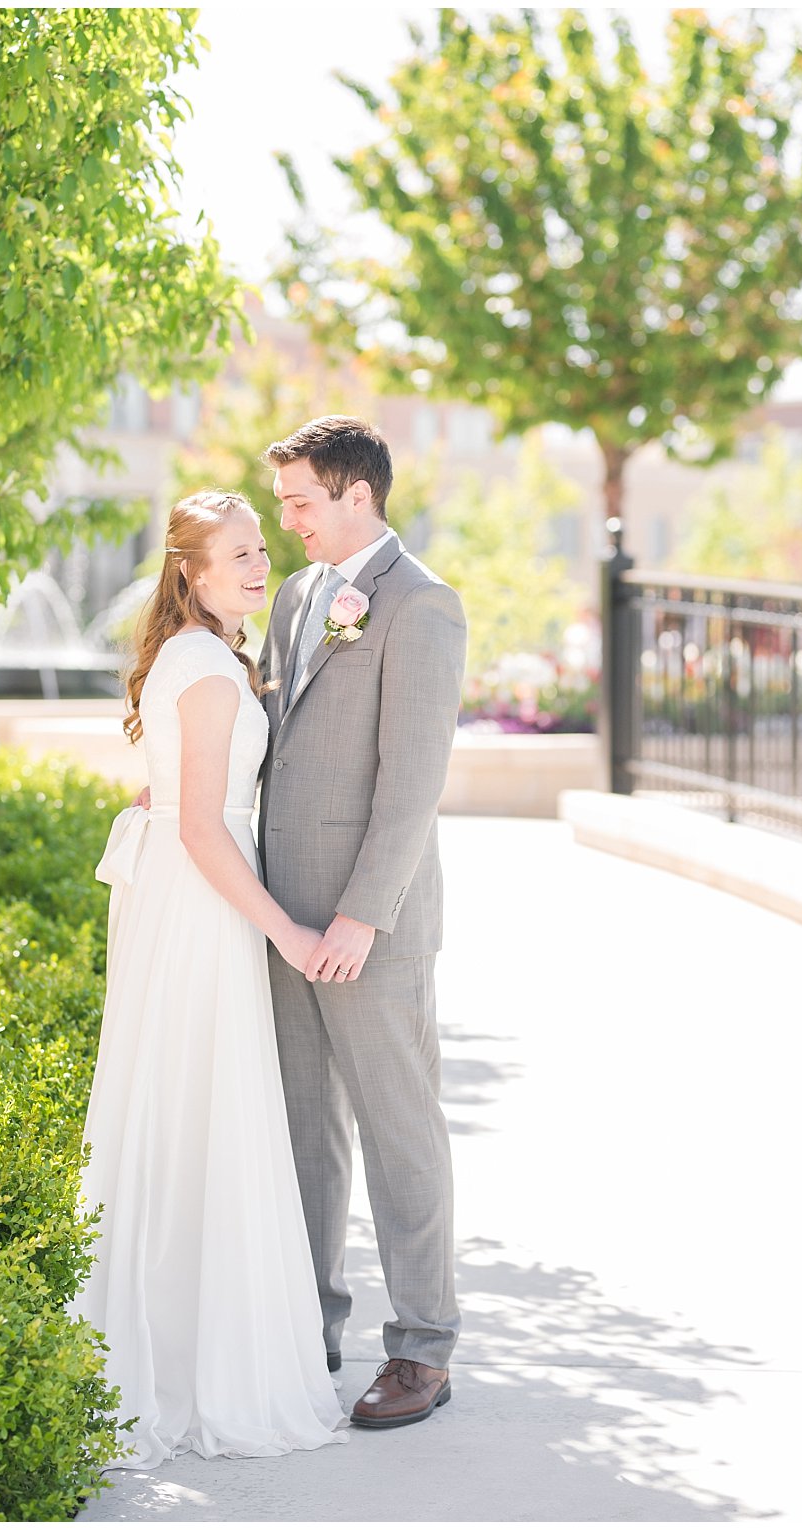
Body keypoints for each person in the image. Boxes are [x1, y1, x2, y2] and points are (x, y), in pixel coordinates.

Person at [74, 490, 345, 1465]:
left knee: (184, 1111)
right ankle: (195, 1368)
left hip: (186, 897)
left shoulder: (200, 657)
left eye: (260, 549)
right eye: (236, 553)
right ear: (189, 570)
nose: (257, 564)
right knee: (203, 1111)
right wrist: (281, 927)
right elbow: (196, 825)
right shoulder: (206, 669)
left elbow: (178, 798)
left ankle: (178, 1343)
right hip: (203, 905)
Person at [255, 416, 467, 1429]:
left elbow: (411, 782)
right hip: (279, 912)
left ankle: (421, 1350)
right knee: (305, 1131)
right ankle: (311, 1324)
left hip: (364, 924)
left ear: (354, 496)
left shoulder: (420, 606)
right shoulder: (297, 597)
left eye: (298, 500)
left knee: (397, 1131)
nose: (283, 520)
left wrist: (357, 917)